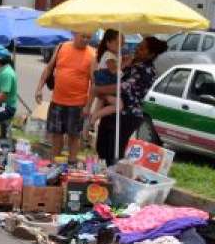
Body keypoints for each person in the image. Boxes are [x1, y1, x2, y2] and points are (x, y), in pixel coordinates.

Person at [94, 37, 168, 165]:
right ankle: (105, 179)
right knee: (102, 148)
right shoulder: (131, 62)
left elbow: (121, 88)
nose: (137, 49)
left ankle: (115, 182)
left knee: (114, 152)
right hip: (112, 111)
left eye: (142, 48)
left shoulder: (146, 70)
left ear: (151, 54)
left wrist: (99, 89)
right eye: (139, 45)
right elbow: (112, 75)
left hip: (127, 116)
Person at [36, 31, 95, 162]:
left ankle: (72, 163)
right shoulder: (62, 47)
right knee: (56, 134)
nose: (85, 39)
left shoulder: (92, 54)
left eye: (88, 37)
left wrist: (88, 106)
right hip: (58, 100)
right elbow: (49, 68)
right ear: (75, 34)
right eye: (83, 36)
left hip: (78, 103)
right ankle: (54, 162)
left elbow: (94, 83)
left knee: (74, 136)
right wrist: (39, 88)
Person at [86, 29, 124, 131]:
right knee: (118, 105)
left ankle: (91, 124)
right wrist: (125, 65)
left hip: (107, 86)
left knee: (102, 103)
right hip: (104, 86)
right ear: (108, 42)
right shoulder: (108, 55)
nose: (120, 46)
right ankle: (93, 118)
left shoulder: (114, 55)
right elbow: (113, 70)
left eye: (122, 43)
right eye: (117, 43)